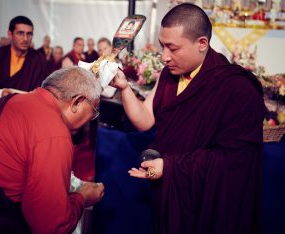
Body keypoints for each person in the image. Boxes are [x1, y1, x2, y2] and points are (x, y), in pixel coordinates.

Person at [112, 3, 265, 234]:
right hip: (171, 191)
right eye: (163, 46)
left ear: (202, 43)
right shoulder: (169, 75)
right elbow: (145, 119)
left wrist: (170, 167)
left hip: (209, 199)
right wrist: (124, 88)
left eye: (173, 48)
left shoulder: (235, 87)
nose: (164, 57)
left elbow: (235, 160)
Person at [0, 66, 104, 233]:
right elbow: (51, 226)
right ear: (77, 102)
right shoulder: (54, 132)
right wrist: (82, 198)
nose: (90, 119)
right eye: (93, 111)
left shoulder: (11, 100)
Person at [0, 16, 47, 101]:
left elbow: (45, 89)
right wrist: (1, 94)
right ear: (10, 34)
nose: (25, 39)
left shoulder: (38, 57)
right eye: (20, 33)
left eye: (29, 34)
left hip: (26, 107)